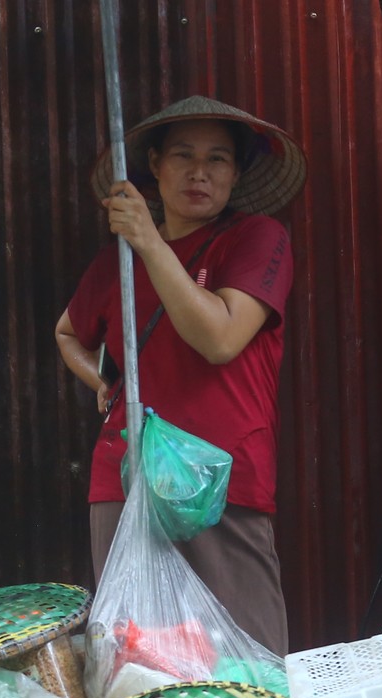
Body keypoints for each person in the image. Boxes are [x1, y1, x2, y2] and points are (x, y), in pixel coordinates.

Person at [54, 95, 305, 657]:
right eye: (184, 156)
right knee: (140, 663)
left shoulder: (258, 239)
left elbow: (220, 338)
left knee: (248, 660)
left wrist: (148, 242)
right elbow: (69, 334)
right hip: (127, 478)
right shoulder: (115, 260)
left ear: (236, 174)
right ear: (155, 165)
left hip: (220, 480)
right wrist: (102, 382)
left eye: (218, 159)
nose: (200, 172)